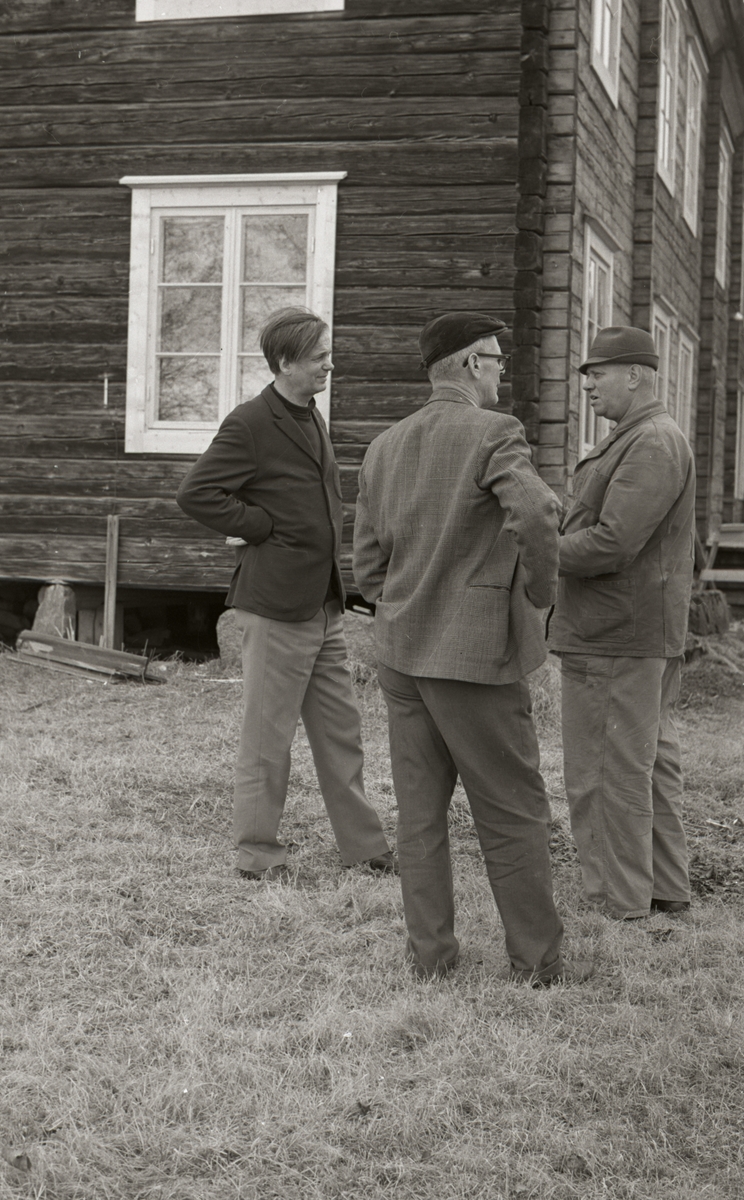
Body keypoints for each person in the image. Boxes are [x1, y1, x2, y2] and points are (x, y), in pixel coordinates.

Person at [353, 311, 585, 986]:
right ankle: (536, 963)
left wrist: (394, 598)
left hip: (400, 651)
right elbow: (540, 514)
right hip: (474, 657)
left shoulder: (384, 446)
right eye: (493, 359)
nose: (501, 370)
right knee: (512, 810)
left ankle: (430, 959)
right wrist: (538, 595)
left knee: (419, 815)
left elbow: (366, 561)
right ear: (464, 366)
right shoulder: (493, 433)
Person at [176, 307, 394, 881]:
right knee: (267, 740)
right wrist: (259, 525)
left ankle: (365, 846)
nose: (329, 363)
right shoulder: (250, 422)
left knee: (341, 732)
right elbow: (196, 493)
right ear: (285, 362)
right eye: (320, 355)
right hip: (274, 606)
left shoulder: (310, 414)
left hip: (324, 604)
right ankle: (258, 855)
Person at [548, 326, 695, 920]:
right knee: (646, 767)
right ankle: (662, 890)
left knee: (605, 772)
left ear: (635, 375)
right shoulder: (639, 439)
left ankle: (618, 901)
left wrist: (536, 548)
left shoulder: (651, 443)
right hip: (631, 633)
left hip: (616, 636)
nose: (587, 385)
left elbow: (612, 543)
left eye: (597, 374)